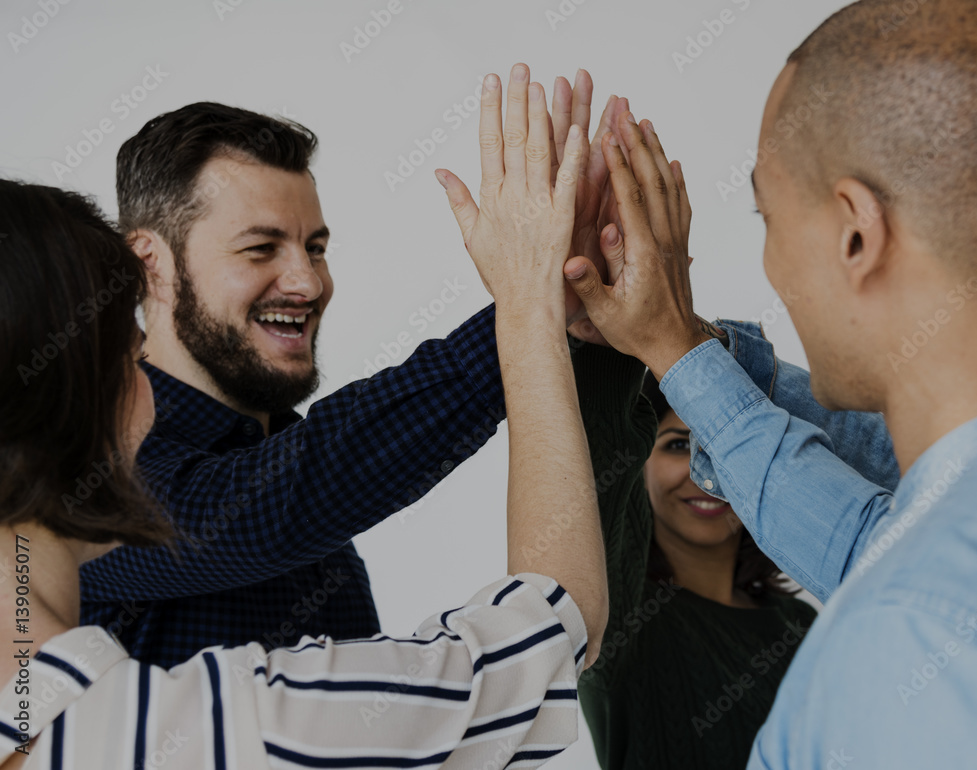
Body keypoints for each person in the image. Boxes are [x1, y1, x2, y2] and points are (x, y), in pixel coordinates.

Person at [0, 63, 608, 768]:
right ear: (150, 267)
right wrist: (530, 311)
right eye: (261, 248)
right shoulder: (117, 499)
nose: (308, 281)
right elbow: (261, 508)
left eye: (316, 248)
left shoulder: (312, 544)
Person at [562, 0, 977, 764]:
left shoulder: (903, 633)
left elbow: (895, 577)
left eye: (768, 217)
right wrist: (682, 346)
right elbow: (879, 540)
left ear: (856, 234)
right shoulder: (940, 562)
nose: (770, 264)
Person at [570, 347, 816, 769]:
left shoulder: (801, 624)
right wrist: (615, 332)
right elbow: (602, 437)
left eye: (724, 446)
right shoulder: (622, 617)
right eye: (679, 444)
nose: (705, 472)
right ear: (640, 461)